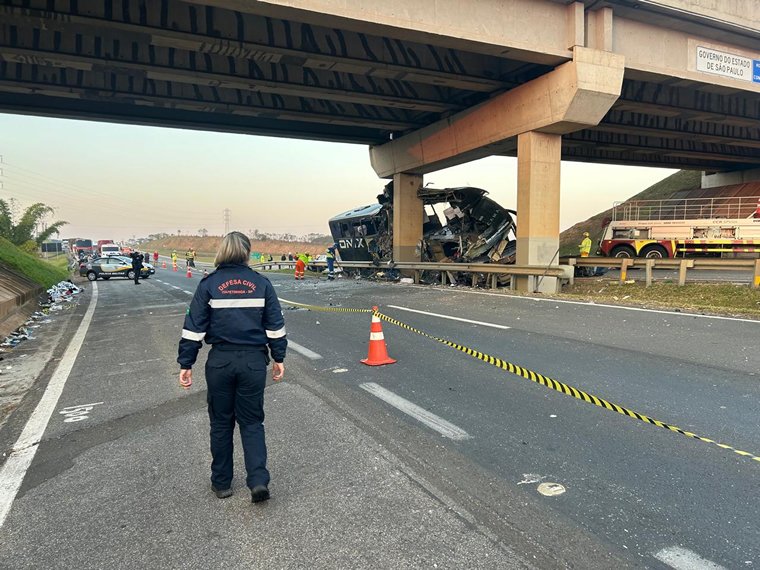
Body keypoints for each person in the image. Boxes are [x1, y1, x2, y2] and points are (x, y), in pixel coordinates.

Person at [177, 231, 286, 503]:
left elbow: (193, 329)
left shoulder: (208, 284)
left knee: (221, 423)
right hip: (252, 362)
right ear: (247, 253)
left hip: (220, 362)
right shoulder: (261, 283)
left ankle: (222, 483)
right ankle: (258, 480)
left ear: (222, 251)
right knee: (252, 422)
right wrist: (279, 358)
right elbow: (275, 326)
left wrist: (186, 363)